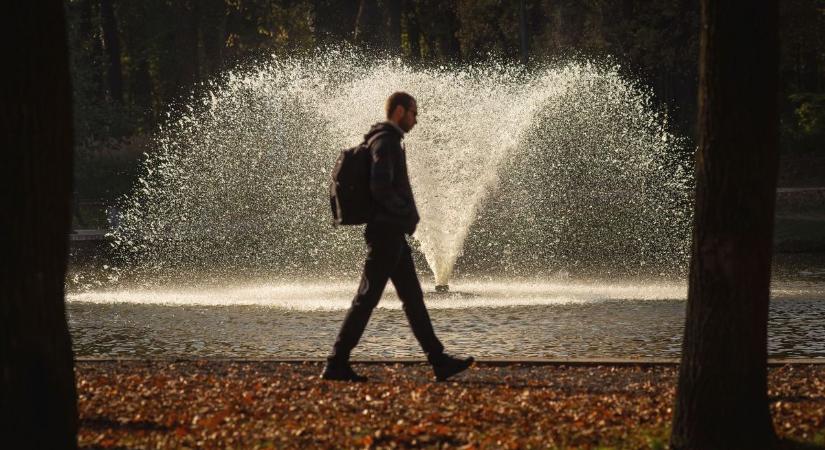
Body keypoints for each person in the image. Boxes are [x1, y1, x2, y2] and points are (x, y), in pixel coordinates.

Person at [322, 92, 474, 382]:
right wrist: (405, 213)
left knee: (413, 299)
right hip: (386, 233)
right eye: (414, 113)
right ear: (400, 111)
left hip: (390, 234)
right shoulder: (387, 141)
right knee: (366, 298)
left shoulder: (384, 139)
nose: (416, 120)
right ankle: (336, 361)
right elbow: (380, 185)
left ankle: (438, 360)